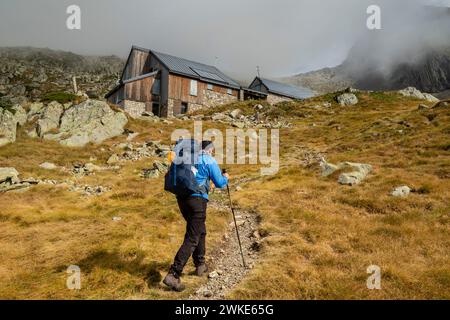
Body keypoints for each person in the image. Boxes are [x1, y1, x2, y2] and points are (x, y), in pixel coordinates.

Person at [163, 140, 229, 292]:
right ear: (209, 150)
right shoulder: (208, 159)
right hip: (197, 200)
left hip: (182, 199)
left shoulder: (188, 158)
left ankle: (200, 265)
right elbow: (219, 182)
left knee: (200, 230)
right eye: (213, 151)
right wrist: (226, 177)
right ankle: (174, 274)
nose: (213, 153)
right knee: (192, 237)